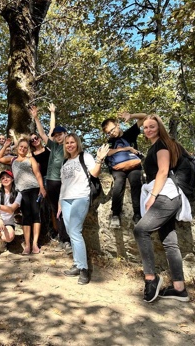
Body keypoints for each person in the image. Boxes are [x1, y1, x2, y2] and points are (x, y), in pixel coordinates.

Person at [134, 114, 190, 302]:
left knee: (141, 230)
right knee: (169, 241)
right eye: (146, 127)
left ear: (160, 128)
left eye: (152, 126)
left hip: (165, 196)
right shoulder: (154, 146)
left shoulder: (162, 145)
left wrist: (152, 196)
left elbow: (163, 171)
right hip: (168, 196)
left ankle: (151, 278)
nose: (148, 129)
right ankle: (179, 289)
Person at [59, 133, 109, 285]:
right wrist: (60, 203)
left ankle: (84, 270)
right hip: (66, 199)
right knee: (70, 232)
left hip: (81, 197)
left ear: (77, 143)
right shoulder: (65, 162)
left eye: (72, 142)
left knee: (75, 231)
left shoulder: (85, 156)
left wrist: (99, 159)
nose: (69, 145)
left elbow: (94, 173)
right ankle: (77, 263)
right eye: (67, 143)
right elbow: (63, 184)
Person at [31, 104, 72, 254]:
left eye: (61, 134)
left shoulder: (70, 147)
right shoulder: (54, 146)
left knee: (65, 210)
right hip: (51, 183)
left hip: (64, 182)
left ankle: (67, 240)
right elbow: (42, 133)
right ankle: (63, 239)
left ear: (66, 134)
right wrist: (36, 117)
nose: (58, 136)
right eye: (56, 135)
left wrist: (53, 113)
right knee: (57, 211)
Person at [0, 138, 46, 254]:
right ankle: (27, 245)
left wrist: (42, 188)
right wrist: (6, 145)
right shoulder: (12, 159)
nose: (22, 149)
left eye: (25, 147)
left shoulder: (31, 159)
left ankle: (35, 244)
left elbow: (37, 174)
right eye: (21, 146)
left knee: (36, 215)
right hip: (21, 191)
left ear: (27, 149)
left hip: (34, 189)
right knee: (26, 216)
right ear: (17, 147)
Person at [102, 111, 147, 227]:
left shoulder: (130, 133)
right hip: (118, 168)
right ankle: (115, 214)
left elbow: (146, 117)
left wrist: (131, 116)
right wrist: (126, 149)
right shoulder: (110, 141)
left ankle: (138, 214)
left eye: (112, 129)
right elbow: (107, 152)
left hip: (133, 165)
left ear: (117, 124)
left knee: (136, 181)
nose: (112, 133)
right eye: (109, 132)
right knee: (119, 182)